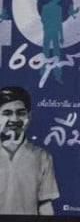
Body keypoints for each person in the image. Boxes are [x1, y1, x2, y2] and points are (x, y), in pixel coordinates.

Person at [0, 86, 58, 215]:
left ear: (29, 116)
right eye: (7, 113)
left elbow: (45, 205)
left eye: (20, 113)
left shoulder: (42, 157)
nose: (14, 119)